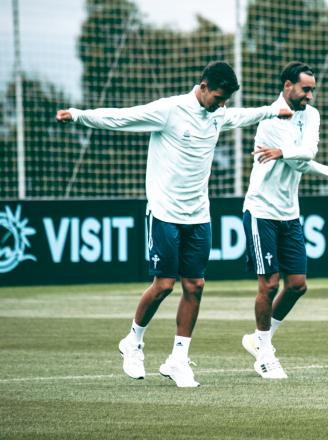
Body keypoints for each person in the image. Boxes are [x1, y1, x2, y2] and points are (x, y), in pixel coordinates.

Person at [56, 61, 292, 387]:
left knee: (195, 286)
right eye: (219, 97)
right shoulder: (169, 110)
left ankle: (178, 359)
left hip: (199, 216)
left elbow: (245, 115)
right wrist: (79, 115)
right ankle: (133, 342)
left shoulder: (218, 115)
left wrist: (272, 111)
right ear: (204, 86)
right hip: (165, 213)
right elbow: (122, 118)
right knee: (164, 285)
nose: (221, 104)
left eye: (226, 100)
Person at [239, 61, 328, 379]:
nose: (309, 94)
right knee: (269, 284)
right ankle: (264, 353)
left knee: (297, 285)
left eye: (312, 89)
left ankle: (257, 340)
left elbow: (305, 154)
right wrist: (291, 154)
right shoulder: (269, 119)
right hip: (261, 210)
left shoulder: (313, 115)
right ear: (287, 86)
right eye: (305, 88)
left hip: (289, 212)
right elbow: (301, 161)